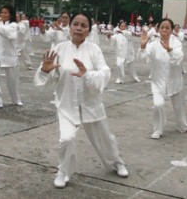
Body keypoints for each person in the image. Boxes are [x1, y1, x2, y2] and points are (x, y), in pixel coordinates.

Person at [34, 13, 128, 189]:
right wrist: (45, 71)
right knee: (67, 138)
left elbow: (105, 72)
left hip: (91, 103)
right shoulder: (59, 49)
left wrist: (87, 74)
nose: (78, 28)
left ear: (88, 30)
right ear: (69, 27)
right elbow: (47, 78)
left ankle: (117, 163)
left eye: (83, 25)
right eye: (75, 24)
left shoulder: (94, 50)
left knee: (105, 138)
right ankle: (63, 171)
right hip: (67, 104)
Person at [138, 18, 187, 139]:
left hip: (174, 80)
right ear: (158, 29)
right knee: (158, 104)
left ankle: (183, 126)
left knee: (179, 106)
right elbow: (143, 58)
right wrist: (143, 46)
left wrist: (169, 49)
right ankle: (158, 129)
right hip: (158, 81)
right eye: (162, 27)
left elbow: (178, 59)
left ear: (171, 29)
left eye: (167, 28)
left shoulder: (176, 43)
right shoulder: (153, 44)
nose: (164, 30)